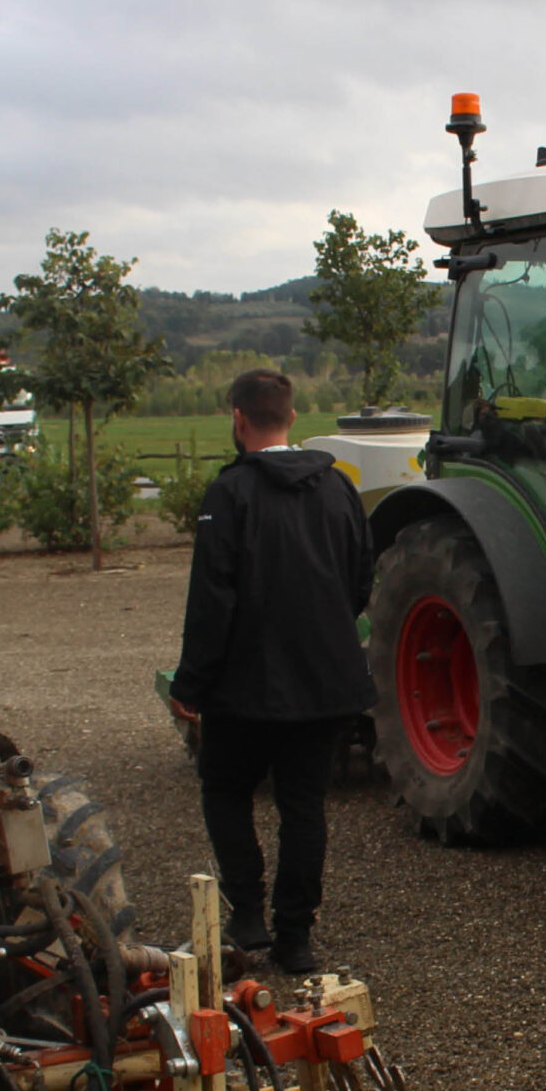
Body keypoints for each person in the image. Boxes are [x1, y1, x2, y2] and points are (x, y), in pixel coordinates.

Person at [168, 369, 376, 975]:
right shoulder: (338, 489)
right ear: (290, 417)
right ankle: (296, 939)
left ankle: (247, 915)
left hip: (245, 688)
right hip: (324, 682)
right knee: (304, 806)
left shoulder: (229, 495)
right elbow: (360, 581)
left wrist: (191, 683)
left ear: (238, 417)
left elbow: (212, 600)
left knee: (225, 790)